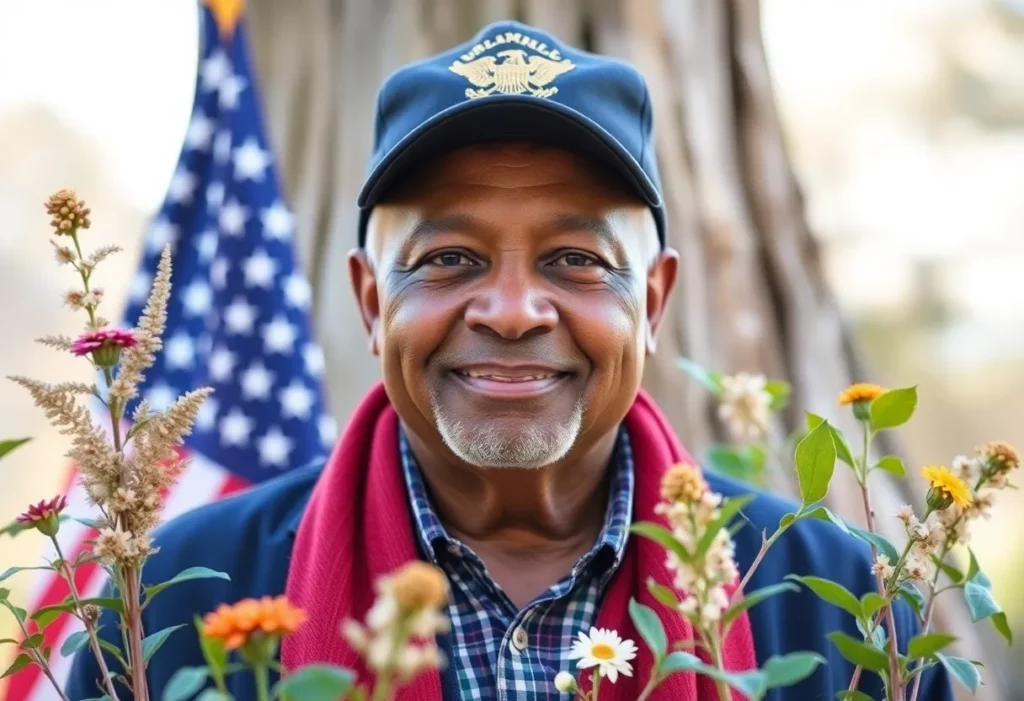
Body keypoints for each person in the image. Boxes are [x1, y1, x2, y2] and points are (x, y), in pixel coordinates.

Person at [68, 20, 952, 701]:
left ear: (651, 302)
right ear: (373, 302)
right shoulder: (175, 608)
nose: (514, 310)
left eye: (576, 260)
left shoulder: (835, 602)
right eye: (450, 258)